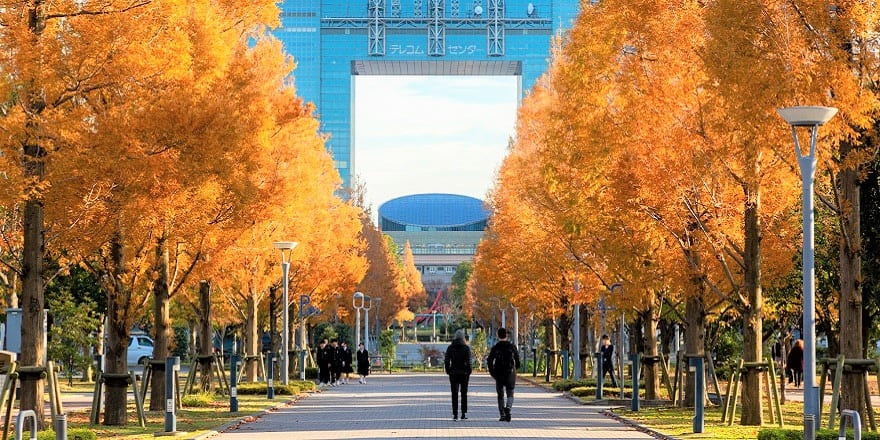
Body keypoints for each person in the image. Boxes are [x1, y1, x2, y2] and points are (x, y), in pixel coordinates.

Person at [487, 327, 520, 422]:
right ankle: (508, 408)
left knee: (500, 394)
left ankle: (502, 414)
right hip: (510, 373)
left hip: (499, 372)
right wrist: (515, 369)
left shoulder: (496, 347)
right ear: (506, 335)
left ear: (498, 335)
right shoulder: (512, 346)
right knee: (510, 393)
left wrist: (492, 372)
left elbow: (490, 361)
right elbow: (517, 360)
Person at [444, 329, 472, 421]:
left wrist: (448, 370)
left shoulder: (450, 348)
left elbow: (447, 361)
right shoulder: (466, 348)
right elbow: (469, 361)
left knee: (454, 394)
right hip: (464, 373)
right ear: (463, 337)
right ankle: (463, 413)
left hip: (453, 373)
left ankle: (455, 414)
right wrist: (469, 371)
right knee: (464, 394)